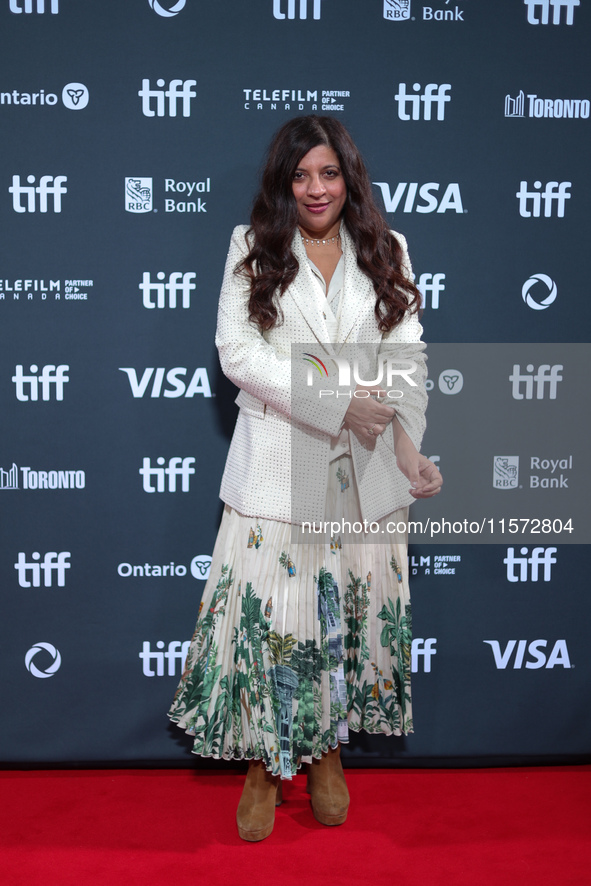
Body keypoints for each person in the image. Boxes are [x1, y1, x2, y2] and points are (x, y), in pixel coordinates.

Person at [168, 115, 442, 842]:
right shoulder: (251, 247)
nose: (315, 188)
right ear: (281, 182)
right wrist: (337, 403)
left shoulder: (388, 250)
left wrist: (410, 448)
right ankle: (264, 764)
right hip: (278, 464)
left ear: (348, 177)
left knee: (337, 619)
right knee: (273, 620)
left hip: (366, 475)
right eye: (300, 175)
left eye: (327, 172)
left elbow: (407, 358)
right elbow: (239, 355)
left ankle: (326, 754)